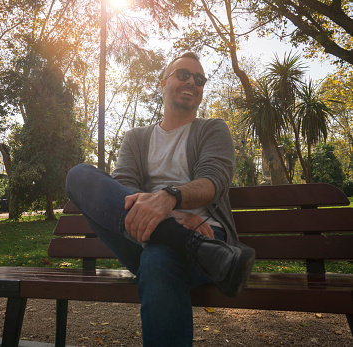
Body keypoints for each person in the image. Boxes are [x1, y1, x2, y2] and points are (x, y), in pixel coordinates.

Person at [65, 52, 255, 346]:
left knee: (157, 258)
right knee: (78, 175)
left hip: (206, 230)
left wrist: (170, 198)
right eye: (183, 74)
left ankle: (190, 244)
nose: (192, 81)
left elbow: (213, 181)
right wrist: (170, 217)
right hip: (156, 238)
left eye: (199, 79)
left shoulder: (212, 129)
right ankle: (193, 246)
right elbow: (124, 192)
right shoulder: (136, 138)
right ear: (163, 83)